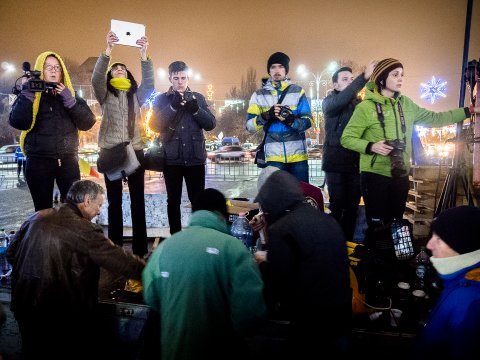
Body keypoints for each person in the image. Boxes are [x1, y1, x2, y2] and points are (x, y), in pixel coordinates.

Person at [341, 58, 480, 295]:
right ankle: (374, 274)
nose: (400, 79)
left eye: (402, 74)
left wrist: (468, 111)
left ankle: (393, 271)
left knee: (396, 225)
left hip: (400, 174)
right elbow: (347, 138)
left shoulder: (407, 104)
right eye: (395, 74)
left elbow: (436, 119)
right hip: (374, 175)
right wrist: (372, 146)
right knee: (377, 227)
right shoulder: (365, 107)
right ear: (382, 78)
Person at [6, 180, 145, 360]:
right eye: (99, 205)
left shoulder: (37, 216)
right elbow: (120, 261)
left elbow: (11, 254)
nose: (99, 211)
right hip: (60, 314)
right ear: (87, 200)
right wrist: (151, 272)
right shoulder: (84, 229)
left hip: (24, 305)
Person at [142, 188, 266, 360]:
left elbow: (151, 296)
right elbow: (249, 315)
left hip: (173, 351)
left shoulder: (164, 248)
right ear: (221, 215)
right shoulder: (234, 249)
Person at [254, 170, 352, 357]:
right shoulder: (326, 220)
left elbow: (275, 282)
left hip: (311, 324)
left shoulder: (283, 228)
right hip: (342, 318)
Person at [91, 31, 154, 257]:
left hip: (135, 151)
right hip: (111, 152)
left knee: (138, 202)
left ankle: (139, 250)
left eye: (123, 68)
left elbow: (150, 82)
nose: (119, 69)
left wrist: (144, 54)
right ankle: (115, 249)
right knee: (114, 203)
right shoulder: (105, 94)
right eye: (115, 68)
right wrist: (108, 50)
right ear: (111, 74)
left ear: (128, 75)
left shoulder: (136, 95)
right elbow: (96, 78)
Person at [9, 51, 96, 211]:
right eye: (48, 67)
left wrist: (70, 101)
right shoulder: (31, 94)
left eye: (57, 67)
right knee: (43, 213)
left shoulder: (71, 95)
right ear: (40, 71)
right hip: (38, 162)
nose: (54, 70)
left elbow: (88, 122)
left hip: (68, 161)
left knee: (73, 211)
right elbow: (18, 122)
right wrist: (27, 95)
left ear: (62, 72)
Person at [150, 61, 216, 235]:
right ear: (170, 78)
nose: (180, 81)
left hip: (195, 158)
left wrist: (196, 110)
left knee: (198, 201)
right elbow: (154, 125)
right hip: (172, 159)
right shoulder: (162, 99)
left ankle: (198, 235)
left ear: (188, 78)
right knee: (173, 201)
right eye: (176, 78)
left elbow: (211, 124)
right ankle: (176, 236)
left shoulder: (198, 98)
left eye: (183, 77)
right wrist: (172, 107)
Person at [414, 205, 480, 360]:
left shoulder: (468, 303)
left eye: (438, 239)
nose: (429, 245)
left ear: (462, 247)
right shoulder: (460, 280)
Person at [322, 61, 376, 241]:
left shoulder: (360, 105)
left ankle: (348, 246)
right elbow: (342, 99)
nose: (350, 83)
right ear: (335, 85)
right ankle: (334, 244)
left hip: (355, 164)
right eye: (345, 79)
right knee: (337, 207)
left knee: (352, 208)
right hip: (335, 163)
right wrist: (363, 78)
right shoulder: (330, 102)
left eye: (352, 79)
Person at [246, 52, 313, 183]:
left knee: (301, 196)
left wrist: (291, 120)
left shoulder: (298, 91)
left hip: (298, 158)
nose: (277, 70)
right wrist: (266, 116)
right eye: (273, 67)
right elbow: (249, 126)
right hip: (273, 159)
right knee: (277, 198)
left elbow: (308, 121)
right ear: (269, 71)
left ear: (286, 70)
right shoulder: (258, 95)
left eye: (281, 67)